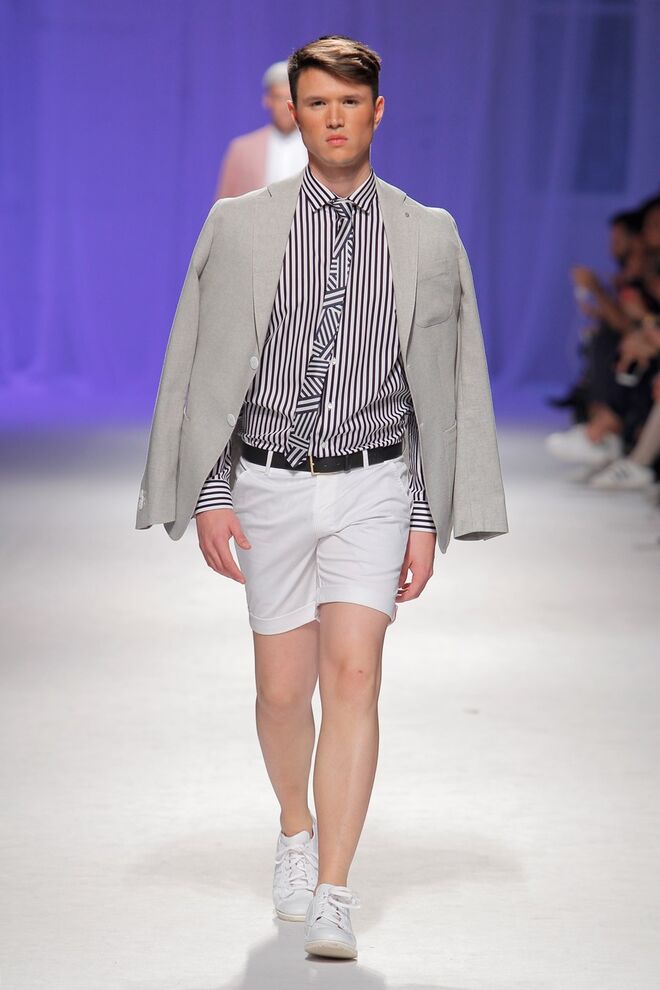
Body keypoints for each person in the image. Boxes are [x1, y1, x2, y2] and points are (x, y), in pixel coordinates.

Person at [135, 34, 508, 961]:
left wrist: (425, 511)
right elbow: (203, 363)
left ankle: (335, 886)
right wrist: (210, 490)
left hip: (376, 482)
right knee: (279, 691)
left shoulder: (428, 233)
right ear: (294, 113)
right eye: (317, 103)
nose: (334, 118)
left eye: (349, 102)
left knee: (356, 677)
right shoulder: (240, 225)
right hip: (266, 480)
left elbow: (442, 384)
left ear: (378, 112)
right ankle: (295, 831)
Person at [214, 60, 308, 199]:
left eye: (291, 98)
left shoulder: (318, 146)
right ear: (267, 101)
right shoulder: (242, 150)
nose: (285, 107)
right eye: (279, 98)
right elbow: (224, 205)